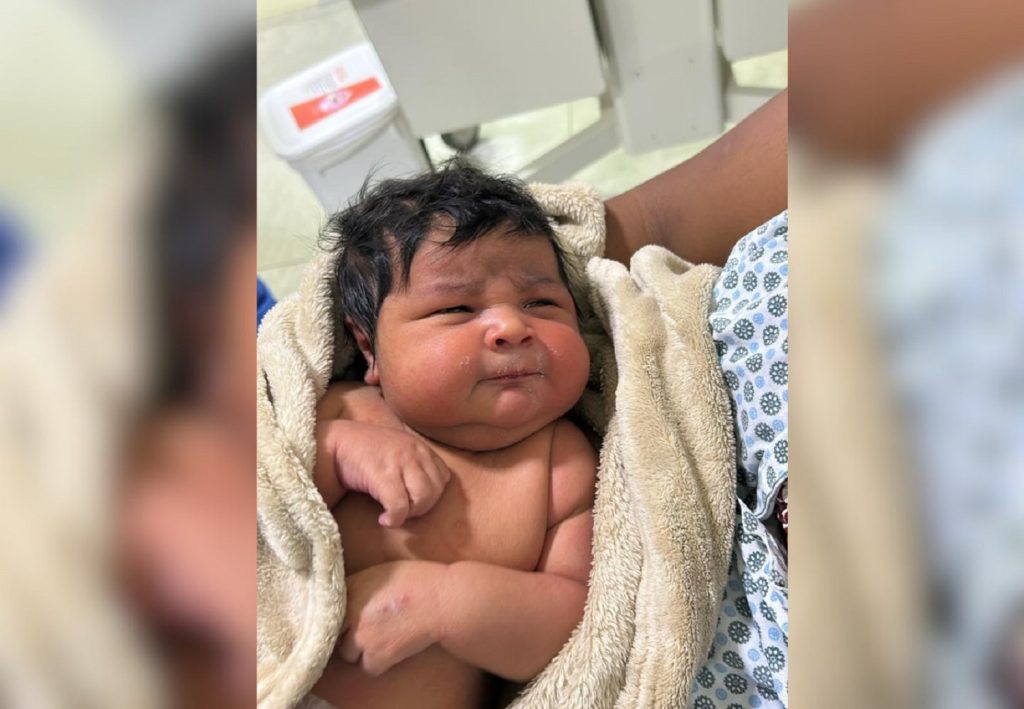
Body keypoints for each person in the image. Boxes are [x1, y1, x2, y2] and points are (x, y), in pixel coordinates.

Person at [309, 159, 597, 709]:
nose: (511, 327)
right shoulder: (344, 414)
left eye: (540, 303)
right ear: (369, 348)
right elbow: (252, 508)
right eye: (456, 308)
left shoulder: (562, 468)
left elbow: (572, 618)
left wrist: (445, 603)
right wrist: (335, 453)